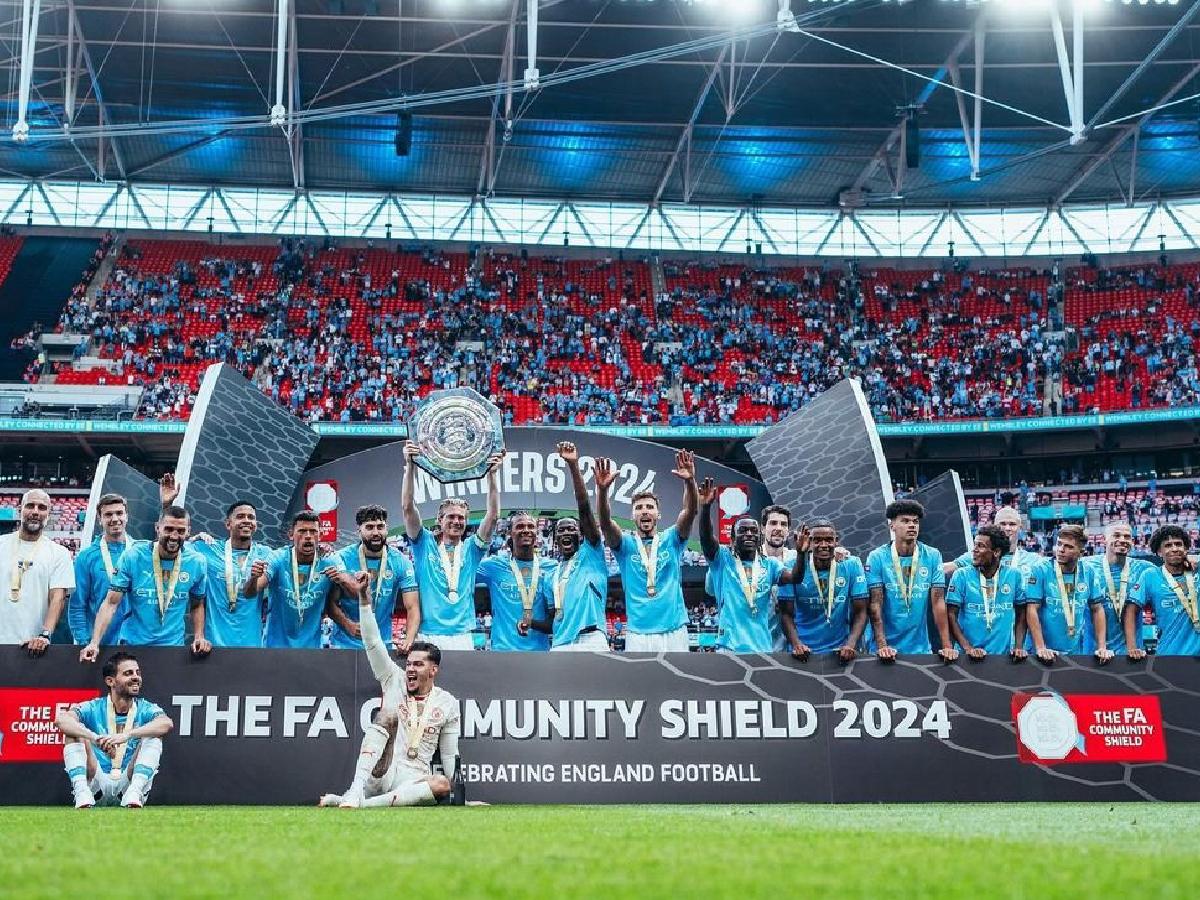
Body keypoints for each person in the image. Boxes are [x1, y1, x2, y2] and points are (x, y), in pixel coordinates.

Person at [321, 573, 460, 808]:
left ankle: (360, 804)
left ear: (433, 670)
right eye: (409, 664)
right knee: (387, 715)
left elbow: (448, 754)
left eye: (418, 664)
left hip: (414, 777)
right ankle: (355, 791)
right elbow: (372, 641)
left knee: (443, 785)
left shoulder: (448, 702)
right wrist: (364, 599)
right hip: (381, 771)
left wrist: (462, 798)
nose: (410, 670)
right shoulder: (393, 678)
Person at [401, 441, 504, 651]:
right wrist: (410, 466)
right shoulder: (424, 543)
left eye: (461, 518)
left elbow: (492, 516)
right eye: (451, 516)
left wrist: (493, 476)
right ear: (439, 520)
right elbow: (407, 507)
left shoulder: (472, 549)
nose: (457, 521)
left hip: (462, 635)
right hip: (428, 632)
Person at [596, 450, 699, 651]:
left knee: (678, 683)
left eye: (650, 507)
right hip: (638, 634)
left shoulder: (672, 539)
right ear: (633, 515)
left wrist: (689, 481)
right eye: (639, 507)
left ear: (658, 514)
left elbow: (690, 511)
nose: (644, 510)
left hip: (674, 629)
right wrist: (602, 491)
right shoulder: (625, 545)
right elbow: (606, 523)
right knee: (640, 683)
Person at [80, 506, 208, 660]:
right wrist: (94, 643)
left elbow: (197, 604)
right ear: (157, 528)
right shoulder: (133, 556)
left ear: (188, 531)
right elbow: (110, 603)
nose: (174, 536)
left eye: (180, 531)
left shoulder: (197, 562)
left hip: (172, 646)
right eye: (168, 529)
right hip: (133, 644)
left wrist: (199, 636)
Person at [697, 479, 807, 653]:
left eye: (753, 531)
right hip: (729, 647)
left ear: (759, 536)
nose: (749, 534)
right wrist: (705, 508)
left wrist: (801, 553)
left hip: (762, 647)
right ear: (732, 539)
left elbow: (795, 577)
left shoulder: (770, 565)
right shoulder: (723, 560)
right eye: (743, 531)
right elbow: (706, 538)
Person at [54, 651, 173, 808]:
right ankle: (81, 792)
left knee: (154, 734)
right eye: (128, 673)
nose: (136, 677)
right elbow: (61, 720)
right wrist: (94, 738)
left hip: (128, 783)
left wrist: (127, 735)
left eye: (138, 673)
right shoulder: (94, 707)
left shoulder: (145, 708)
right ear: (110, 681)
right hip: (96, 782)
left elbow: (166, 724)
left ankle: (135, 792)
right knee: (73, 732)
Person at [245, 511, 352, 649]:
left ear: (321, 535)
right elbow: (250, 593)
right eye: (302, 531)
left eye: (313, 531)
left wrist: (342, 578)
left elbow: (353, 591)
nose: (308, 536)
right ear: (291, 535)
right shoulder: (278, 557)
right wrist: (253, 577)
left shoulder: (330, 560)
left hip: (312, 649)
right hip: (274, 648)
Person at [866, 500, 956, 661]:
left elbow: (938, 603)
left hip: (920, 650)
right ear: (892, 525)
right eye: (905, 521)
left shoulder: (932, 555)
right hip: (883, 650)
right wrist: (882, 646)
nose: (912, 525)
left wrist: (946, 646)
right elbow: (875, 604)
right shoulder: (877, 557)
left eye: (915, 521)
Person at [329, 505, 420, 652]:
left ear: (386, 528)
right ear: (359, 531)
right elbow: (331, 603)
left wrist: (409, 640)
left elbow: (412, 607)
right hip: (345, 644)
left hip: (382, 644)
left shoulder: (401, 562)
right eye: (370, 527)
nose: (376, 532)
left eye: (380, 527)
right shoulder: (341, 558)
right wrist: (347, 625)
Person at [545, 442, 609, 651]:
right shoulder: (550, 576)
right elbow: (552, 617)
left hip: (590, 638)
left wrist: (573, 466)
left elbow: (584, 509)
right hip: (560, 643)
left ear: (581, 534)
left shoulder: (591, 553)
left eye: (571, 529)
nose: (566, 533)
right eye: (560, 531)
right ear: (554, 539)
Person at [778, 517, 869, 662]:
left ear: (836, 540)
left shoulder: (851, 565)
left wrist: (850, 645)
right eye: (817, 540)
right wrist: (797, 645)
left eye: (828, 540)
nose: (823, 545)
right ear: (809, 541)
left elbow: (861, 611)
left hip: (839, 652)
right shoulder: (792, 567)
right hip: (802, 652)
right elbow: (785, 614)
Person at [1022, 524, 1110, 663]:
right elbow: (1032, 609)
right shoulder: (1040, 570)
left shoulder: (1089, 572)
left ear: (1081, 552)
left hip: (1074, 653)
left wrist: (1102, 647)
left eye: (1069, 547)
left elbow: (1097, 609)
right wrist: (1040, 648)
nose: (1061, 550)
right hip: (1040, 653)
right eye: (1059, 544)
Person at [190, 501, 274, 648]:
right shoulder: (208, 548)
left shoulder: (266, 554)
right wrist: (191, 538)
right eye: (241, 516)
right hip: (214, 645)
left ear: (256, 524)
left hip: (252, 646)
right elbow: (168, 546)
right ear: (228, 524)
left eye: (251, 517)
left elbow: (294, 556)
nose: (247, 520)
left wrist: (323, 548)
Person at [0, 489, 73, 656]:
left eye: (41, 507)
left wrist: (44, 635)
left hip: (32, 646)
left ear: (49, 513)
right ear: (20, 510)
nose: (35, 512)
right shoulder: (1, 545)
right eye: (30, 506)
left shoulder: (59, 553)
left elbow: (58, 598)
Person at [945, 525, 1027, 659]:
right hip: (967, 658)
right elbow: (951, 615)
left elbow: (1022, 614)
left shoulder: (1014, 576)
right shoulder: (961, 576)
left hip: (1002, 658)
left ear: (996, 552)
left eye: (981, 546)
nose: (974, 550)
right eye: (975, 545)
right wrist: (968, 648)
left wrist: (1018, 647)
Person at [476, 511, 554, 651]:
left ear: (536, 533)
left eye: (530, 526)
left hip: (539, 653)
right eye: (520, 526)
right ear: (510, 534)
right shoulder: (492, 566)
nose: (526, 530)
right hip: (502, 651)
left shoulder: (551, 567)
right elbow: (462, 574)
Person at [1080, 522, 1153, 658]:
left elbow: (1171, 572)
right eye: (1116, 535)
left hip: (1132, 652)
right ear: (1104, 539)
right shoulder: (1085, 566)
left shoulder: (1145, 568)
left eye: (1127, 537)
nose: (1123, 540)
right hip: (1093, 651)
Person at [69, 493, 133, 647]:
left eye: (119, 513)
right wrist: (85, 641)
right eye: (108, 514)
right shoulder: (86, 557)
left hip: (135, 643)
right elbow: (77, 604)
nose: (115, 519)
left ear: (127, 516)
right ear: (100, 519)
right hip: (99, 644)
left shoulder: (139, 552)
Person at [1129, 525, 1200, 657]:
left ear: (1186, 548)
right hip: (1169, 655)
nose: (1174, 549)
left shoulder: (1197, 571)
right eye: (1168, 545)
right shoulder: (1150, 575)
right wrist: (1132, 647)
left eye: (1178, 544)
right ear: (1159, 552)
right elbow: (1130, 610)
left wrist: (1195, 558)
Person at [943, 507, 1038, 578]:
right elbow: (945, 569)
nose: (1007, 528)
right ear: (994, 526)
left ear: (1020, 527)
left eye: (1012, 524)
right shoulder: (979, 555)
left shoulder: (1033, 560)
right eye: (1002, 524)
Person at [760, 504, 798, 651]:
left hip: (791, 644)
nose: (779, 528)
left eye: (784, 524)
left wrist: (840, 552)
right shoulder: (753, 558)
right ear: (763, 529)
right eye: (773, 523)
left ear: (788, 530)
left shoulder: (797, 559)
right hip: (759, 641)